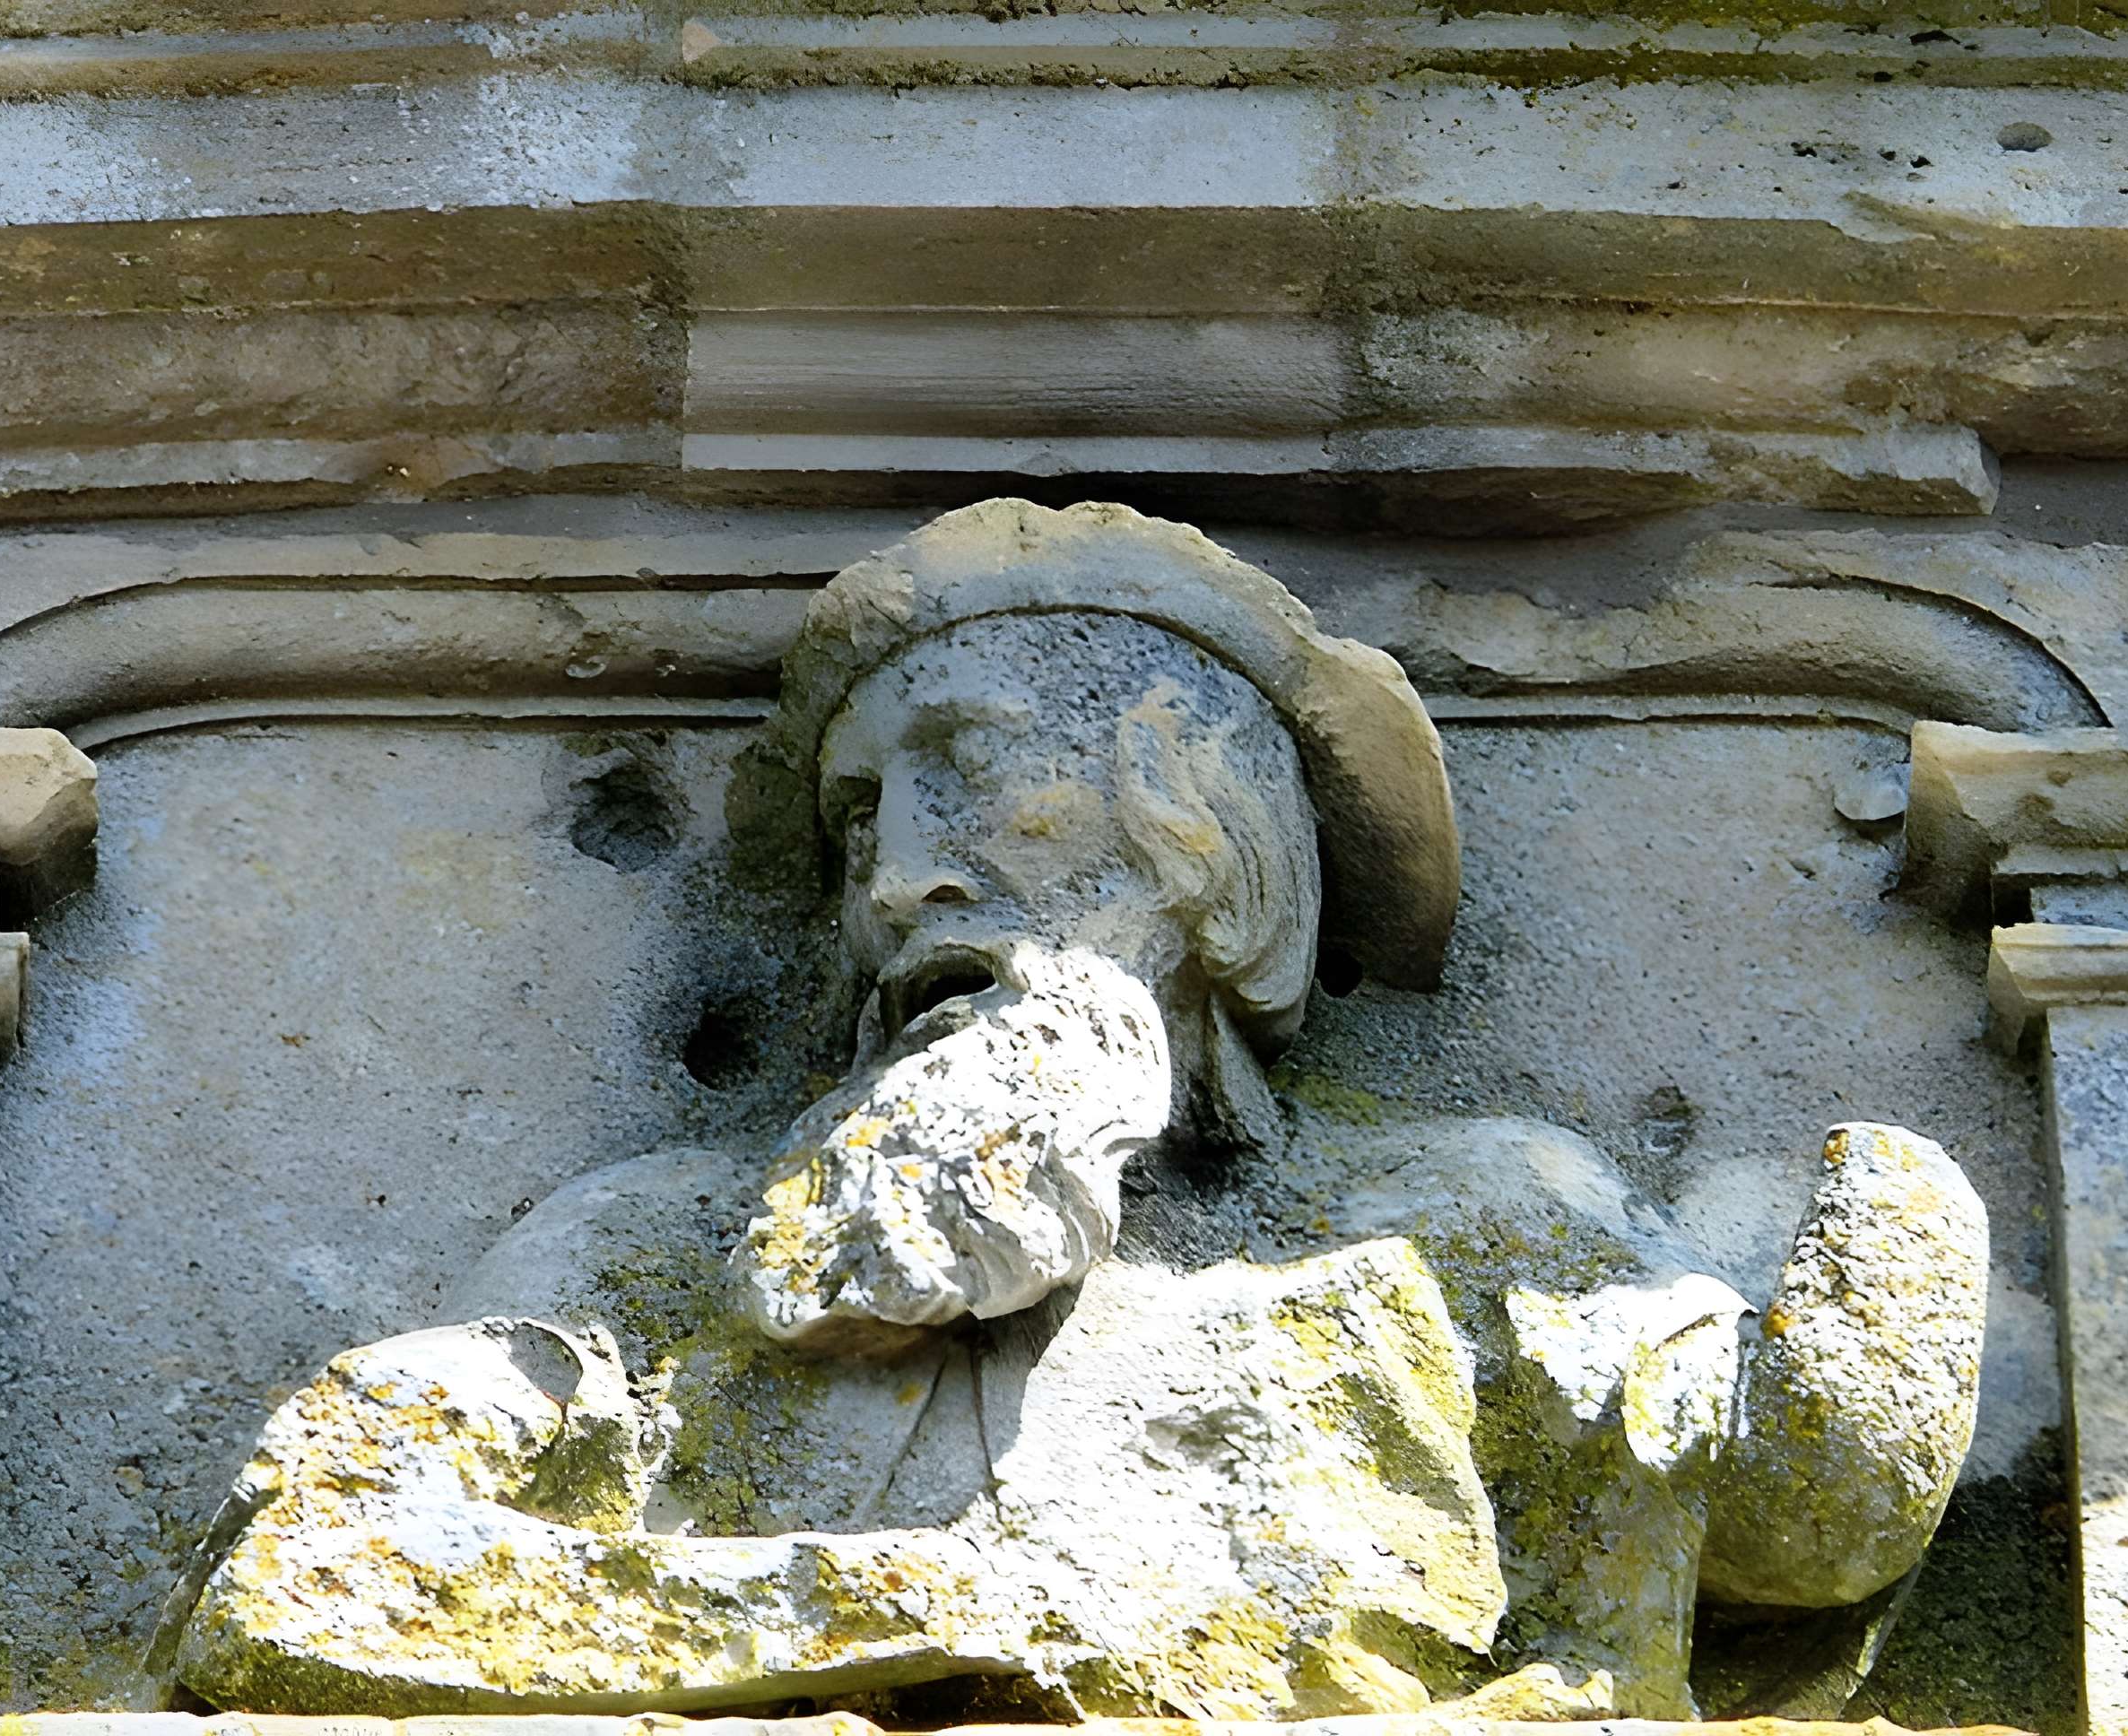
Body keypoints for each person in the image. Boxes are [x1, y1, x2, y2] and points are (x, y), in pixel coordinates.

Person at [161, 501, 1987, 1722]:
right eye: (867, 821)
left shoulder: (1463, 1238)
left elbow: (1792, 1511)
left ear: (1213, 845)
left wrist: (1904, 1229)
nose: (891, 886)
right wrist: (902, 1613)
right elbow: (307, 1565)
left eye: (967, 782)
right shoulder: (651, 1260)